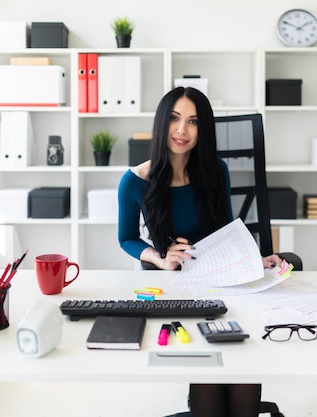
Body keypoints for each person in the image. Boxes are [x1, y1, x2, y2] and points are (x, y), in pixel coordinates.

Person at [117, 86, 282, 417]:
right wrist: (159, 259)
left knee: (242, 356)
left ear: (202, 129)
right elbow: (127, 239)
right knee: (212, 362)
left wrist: (253, 258)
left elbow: (225, 228)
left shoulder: (215, 170)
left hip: (221, 276)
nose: (182, 131)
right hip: (179, 282)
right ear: (162, 122)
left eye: (193, 122)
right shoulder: (135, 181)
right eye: (175, 119)